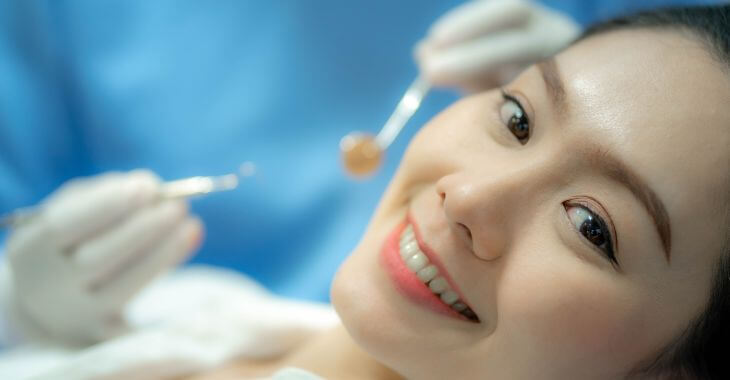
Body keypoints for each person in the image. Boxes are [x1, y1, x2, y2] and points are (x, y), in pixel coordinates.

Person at [1, 4, 727, 379]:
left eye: (591, 226)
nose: (466, 196)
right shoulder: (209, 308)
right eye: (517, 117)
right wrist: (19, 309)